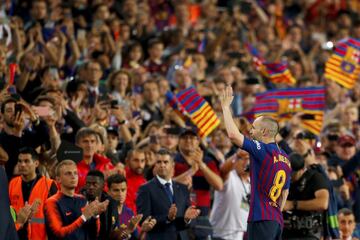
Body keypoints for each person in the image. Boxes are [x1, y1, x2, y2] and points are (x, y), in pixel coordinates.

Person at [220, 86, 291, 240]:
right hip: (276, 220)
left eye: (253, 128)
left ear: (264, 132)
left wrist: (225, 107)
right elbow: (284, 193)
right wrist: (276, 211)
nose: (251, 132)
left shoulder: (262, 149)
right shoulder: (286, 158)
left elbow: (233, 135)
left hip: (261, 218)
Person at [136, 148, 201, 240]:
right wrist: (167, 218)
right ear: (155, 165)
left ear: (172, 165)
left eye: (165, 162)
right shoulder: (145, 189)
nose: (162, 165)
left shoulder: (183, 188)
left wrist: (187, 219)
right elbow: (143, 219)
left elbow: (191, 219)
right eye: (159, 162)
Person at [44, 160, 109, 240]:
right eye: (68, 173)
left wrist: (96, 216)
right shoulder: (52, 202)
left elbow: (94, 234)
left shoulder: (83, 200)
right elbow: (59, 234)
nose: (73, 176)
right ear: (58, 179)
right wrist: (83, 217)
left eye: (75, 173)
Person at [8, 147, 58, 240]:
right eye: (20, 161)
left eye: (27, 161)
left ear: (36, 163)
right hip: (16, 235)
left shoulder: (49, 185)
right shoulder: (12, 183)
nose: (22, 164)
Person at [283, 152, 330, 240]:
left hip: (309, 232)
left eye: (293, 173)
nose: (289, 176)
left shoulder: (315, 178)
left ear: (302, 169)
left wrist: (293, 204)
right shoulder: (283, 179)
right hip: (287, 231)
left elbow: (323, 203)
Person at [210, 149, 250, 240]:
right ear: (235, 161)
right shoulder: (231, 176)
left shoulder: (252, 183)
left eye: (248, 159)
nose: (246, 162)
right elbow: (223, 169)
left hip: (240, 236)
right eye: (242, 159)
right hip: (220, 236)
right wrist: (236, 155)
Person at [107, 173, 156, 239]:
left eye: (123, 190)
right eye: (116, 190)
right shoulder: (104, 212)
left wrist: (143, 230)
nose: (120, 194)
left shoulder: (129, 212)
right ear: (108, 191)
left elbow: (137, 238)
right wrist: (128, 230)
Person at [82, 170, 119, 240]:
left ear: (103, 186)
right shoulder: (79, 201)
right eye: (88, 184)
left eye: (94, 184)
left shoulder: (111, 203)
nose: (90, 187)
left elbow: (113, 229)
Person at [124, 149, 147, 214]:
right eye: (136, 160)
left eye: (142, 161)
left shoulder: (145, 182)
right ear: (127, 161)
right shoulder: (121, 180)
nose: (140, 165)